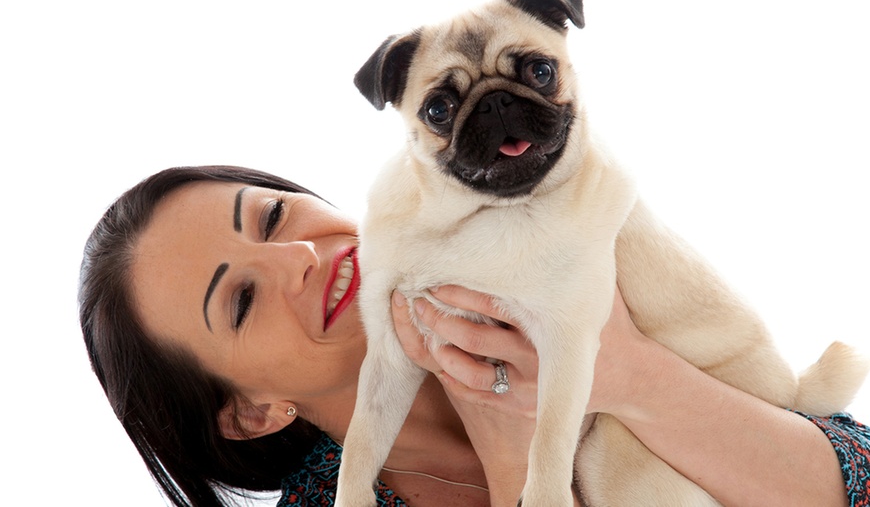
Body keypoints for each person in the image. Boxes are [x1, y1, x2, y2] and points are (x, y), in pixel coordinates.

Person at [79, 165, 869, 507]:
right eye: (243, 299)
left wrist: (627, 373)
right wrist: (506, 461)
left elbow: (850, 483)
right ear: (252, 411)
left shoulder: (526, 247)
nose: (295, 258)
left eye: (273, 216)